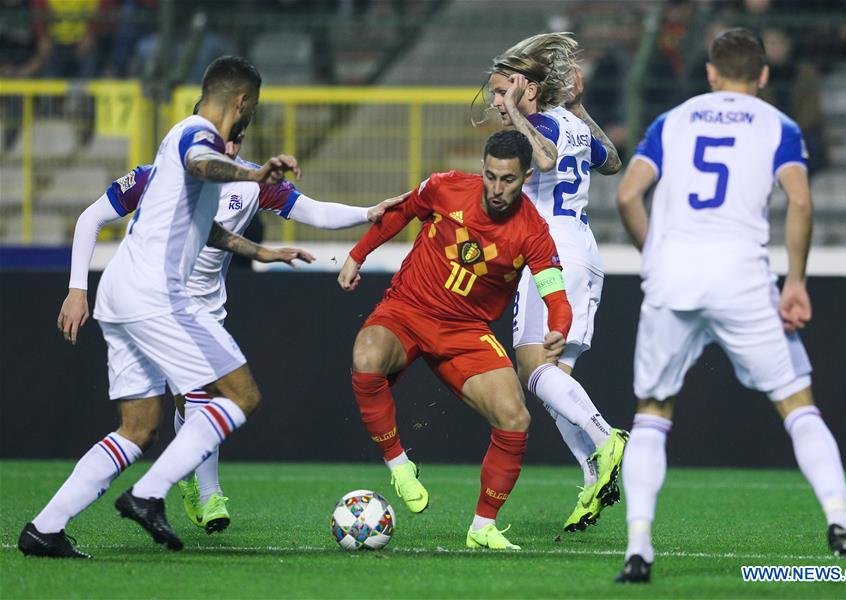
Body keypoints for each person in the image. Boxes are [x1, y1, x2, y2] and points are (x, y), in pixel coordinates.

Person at [613, 28, 846, 583]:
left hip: (674, 278)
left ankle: (638, 549)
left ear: (711, 73)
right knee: (798, 404)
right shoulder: (778, 126)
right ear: (763, 76)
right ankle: (840, 522)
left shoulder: (673, 120)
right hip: (741, 278)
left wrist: (656, 257)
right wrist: (796, 282)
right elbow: (800, 201)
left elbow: (627, 195)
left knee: (652, 411)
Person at [53, 127, 406, 535]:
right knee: (182, 406)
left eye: (236, 140)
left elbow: (313, 211)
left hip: (204, 308)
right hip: (153, 300)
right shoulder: (156, 177)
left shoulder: (253, 182)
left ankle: (184, 485)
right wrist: (77, 289)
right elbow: (91, 217)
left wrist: (366, 213)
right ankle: (201, 492)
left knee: (189, 402)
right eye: (222, 138)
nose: (229, 147)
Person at [18, 55, 292, 558]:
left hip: (120, 291)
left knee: (139, 427)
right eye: (252, 109)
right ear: (241, 102)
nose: (250, 118)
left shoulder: (175, 143)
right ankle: (148, 494)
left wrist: (258, 251)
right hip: (155, 293)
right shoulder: (197, 136)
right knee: (241, 394)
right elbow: (201, 163)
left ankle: (44, 529)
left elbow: (203, 228)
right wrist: (253, 175)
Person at [338, 130, 572, 550]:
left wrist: (559, 326)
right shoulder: (444, 187)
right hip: (408, 308)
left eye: (508, 180)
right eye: (490, 176)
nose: (496, 188)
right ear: (482, 168)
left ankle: (482, 527)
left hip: (466, 331)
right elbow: (401, 212)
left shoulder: (533, 232)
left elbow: (555, 293)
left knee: (515, 418)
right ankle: (399, 465)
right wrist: (358, 254)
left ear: (526, 177)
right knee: (366, 355)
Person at [484, 32, 628, 532]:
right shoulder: (572, 122)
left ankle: (607, 439)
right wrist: (581, 108)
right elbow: (612, 161)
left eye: (502, 91)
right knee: (554, 379)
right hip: (584, 253)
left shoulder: (541, 124)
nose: (497, 102)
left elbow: (543, 159)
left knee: (531, 368)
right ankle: (592, 475)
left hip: (550, 255)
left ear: (528, 88)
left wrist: (518, 113)